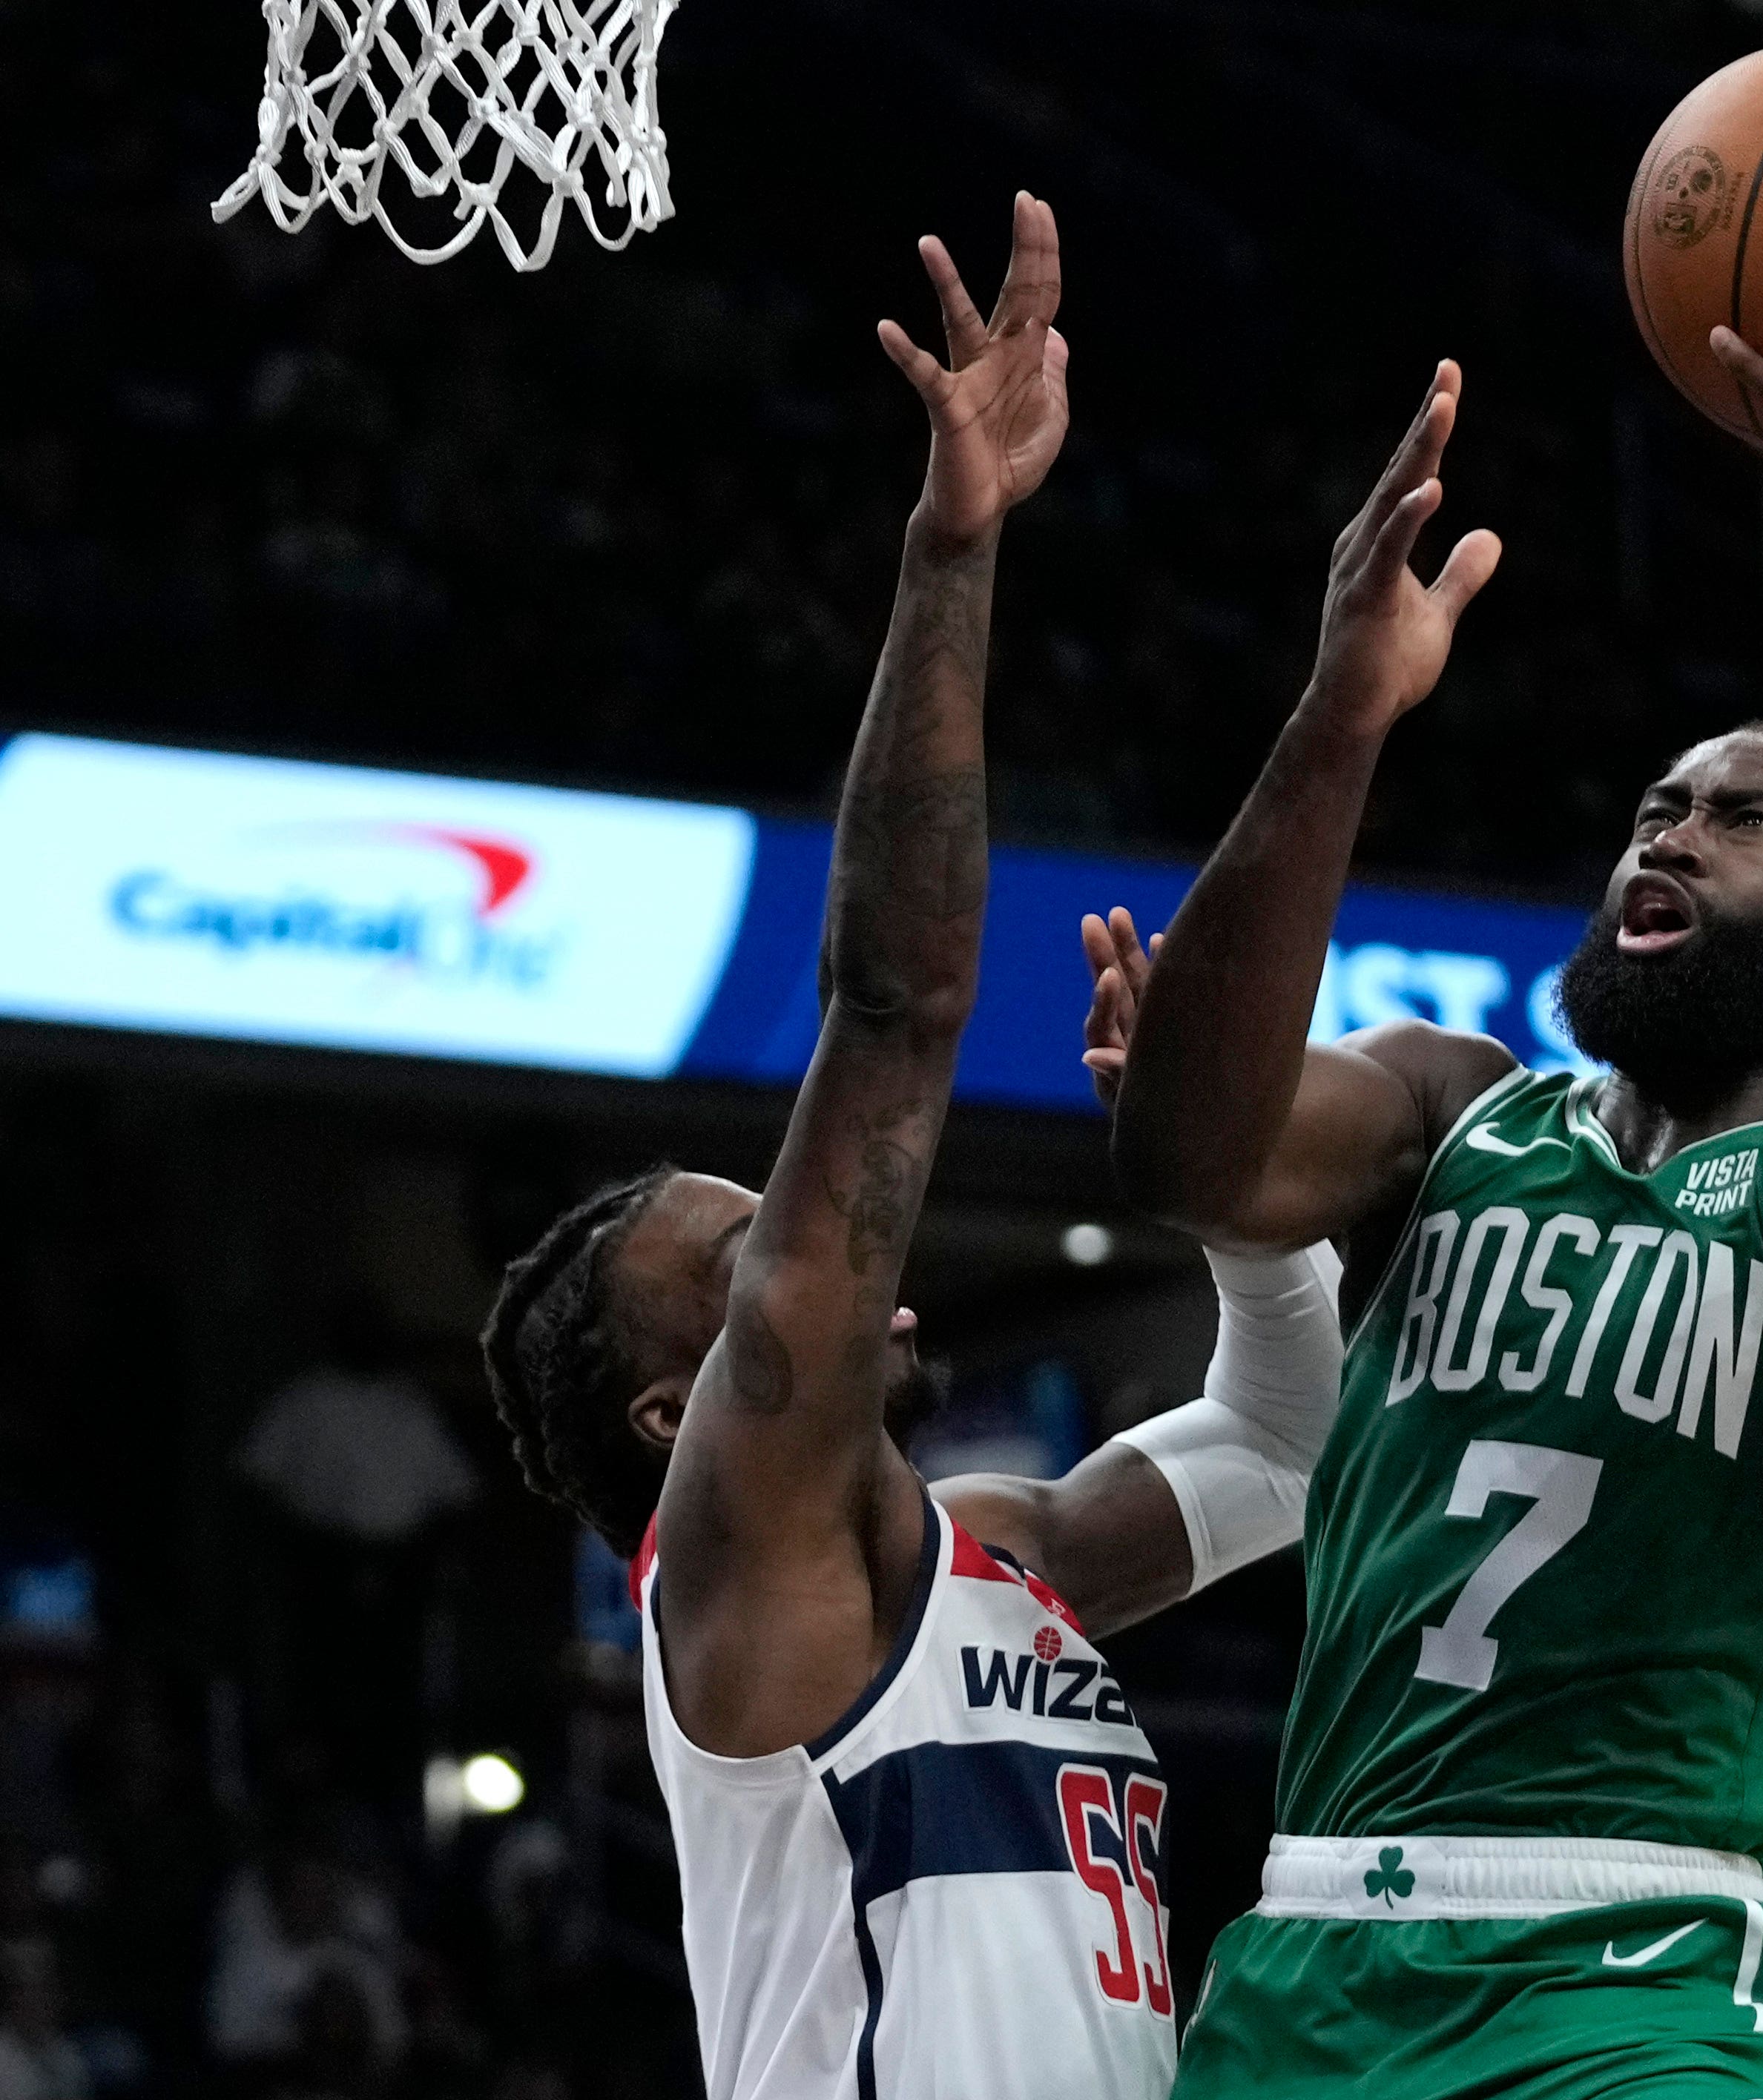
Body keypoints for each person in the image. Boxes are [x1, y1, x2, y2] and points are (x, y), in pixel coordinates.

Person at [1107, 218, 1763, 2099]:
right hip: (1307, 1952)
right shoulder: (1460, 1110)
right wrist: (1342, 712)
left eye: (1746, 819)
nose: (1673, 838)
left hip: (1649, 1962)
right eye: (1657, 808)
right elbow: (1193, 1156)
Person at [473, 195, 1346, 2100]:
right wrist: (955, 555)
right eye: (754, 1257)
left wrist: (1228, 1191)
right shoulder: (741, 1559)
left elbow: (1288, 1438)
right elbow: (893, 1009)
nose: (831, 1253)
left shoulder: (1003, 1557)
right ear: (676, 1415)